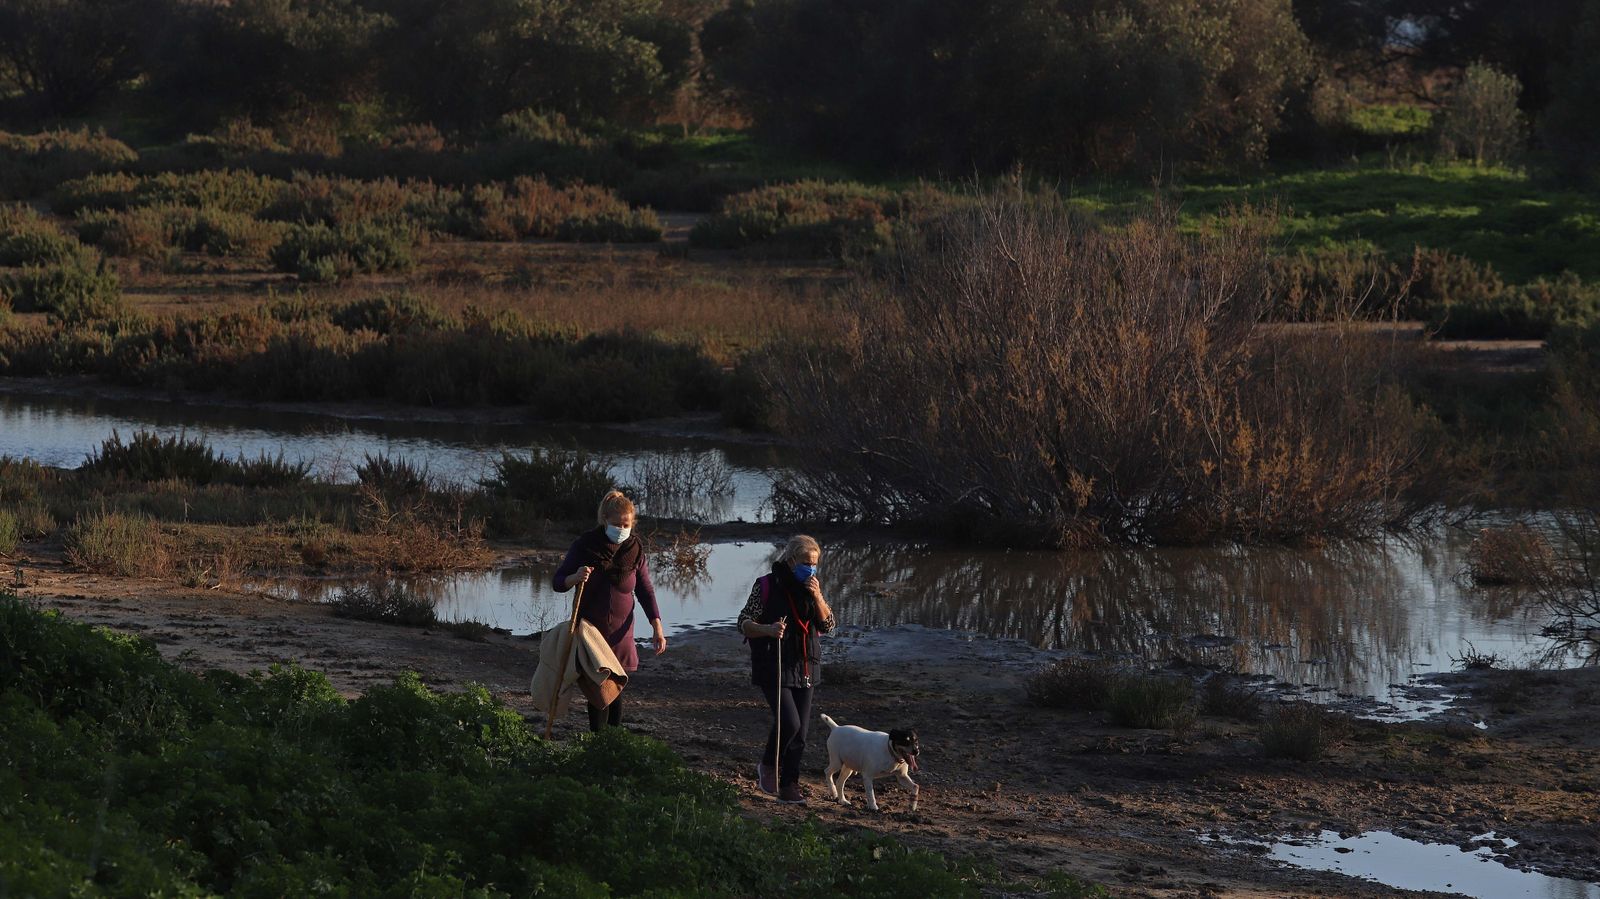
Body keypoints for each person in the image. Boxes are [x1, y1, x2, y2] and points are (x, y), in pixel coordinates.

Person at [552, 489, 666, 732]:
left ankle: (612, 741)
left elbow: (645, 590)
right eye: (616, 524)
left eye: (626, 525)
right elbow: (558, 582)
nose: (621, 529)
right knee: (598, 688)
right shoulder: (586, 545)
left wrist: (657, 626)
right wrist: (575, 577)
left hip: (622, 634)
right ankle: (598, 740)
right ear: (605, 520)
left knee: (616, 686)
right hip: (592, 632)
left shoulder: (634, 549)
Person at [737, 535, 834, 804]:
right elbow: (743, 622)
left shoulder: (813, 587)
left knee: (801, 733)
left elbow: (828, 626)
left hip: (806, 664)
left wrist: (817, 596)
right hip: (773, 663)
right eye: (806, 563)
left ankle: (790, 784)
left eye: (814, 564)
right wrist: (767, 629)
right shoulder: (767, 585)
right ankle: (768, 765)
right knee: (790, 722)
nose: (810, 569)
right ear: (791, 560)